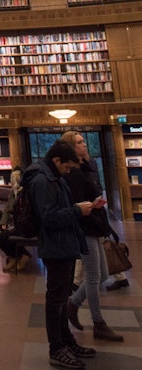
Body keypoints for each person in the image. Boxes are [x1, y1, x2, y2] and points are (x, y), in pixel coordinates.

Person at [24, 140, 98, 370]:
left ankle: (66, 341)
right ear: (56, 161)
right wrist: (77, 210)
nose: (68, 172)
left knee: (62, 298)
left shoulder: (54, 178)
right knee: (55, 300)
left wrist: (77, 207)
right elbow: (49, 218)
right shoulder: (43, 181)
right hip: (55, 247)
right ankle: (56, 348)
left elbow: (57, 209)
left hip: (64, 244)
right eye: (66, 167)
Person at [62, 129, 123, 342]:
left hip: (96, 224)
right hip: (86, 227)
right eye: (79, 142)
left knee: (104, 274)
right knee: (94, 276)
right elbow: (78, 201)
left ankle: (73, 303)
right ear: (71, 147)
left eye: (83, 142)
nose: (84, 145)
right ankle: (98, 322)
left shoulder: (87, 166)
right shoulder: (73, 173)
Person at [0, 166, 31, 272]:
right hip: (13, 222)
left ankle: (21, 256)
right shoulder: (12, 192)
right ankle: (15, 256)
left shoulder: (24, 193)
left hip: (22, 224)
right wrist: (3, 223)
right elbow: (6, 210)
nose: (14, 180)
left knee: (1, 236)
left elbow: (20, 211)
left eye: (16, 177)